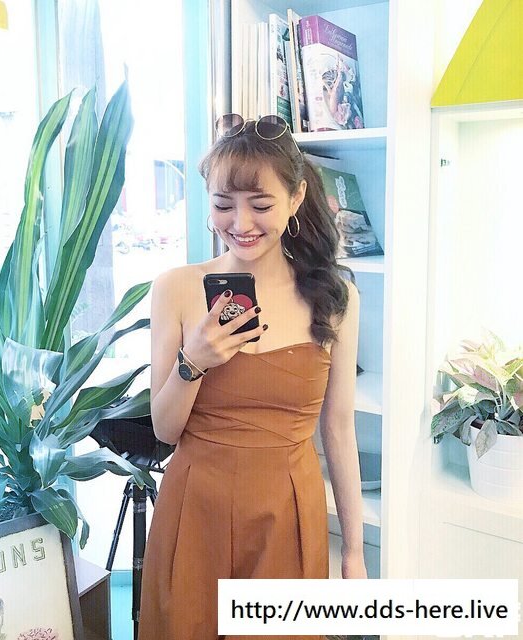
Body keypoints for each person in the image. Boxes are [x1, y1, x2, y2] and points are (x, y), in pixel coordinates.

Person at [138, 114, 366, 640]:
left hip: (288, 514)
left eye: (260, 205)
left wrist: (353, 553)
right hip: (194, 510)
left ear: (296, 198)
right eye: (223, 204)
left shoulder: (337, 299)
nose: (240, 222)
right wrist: (194, 361)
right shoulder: (176, 289)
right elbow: (165, 430)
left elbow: (339, 431)